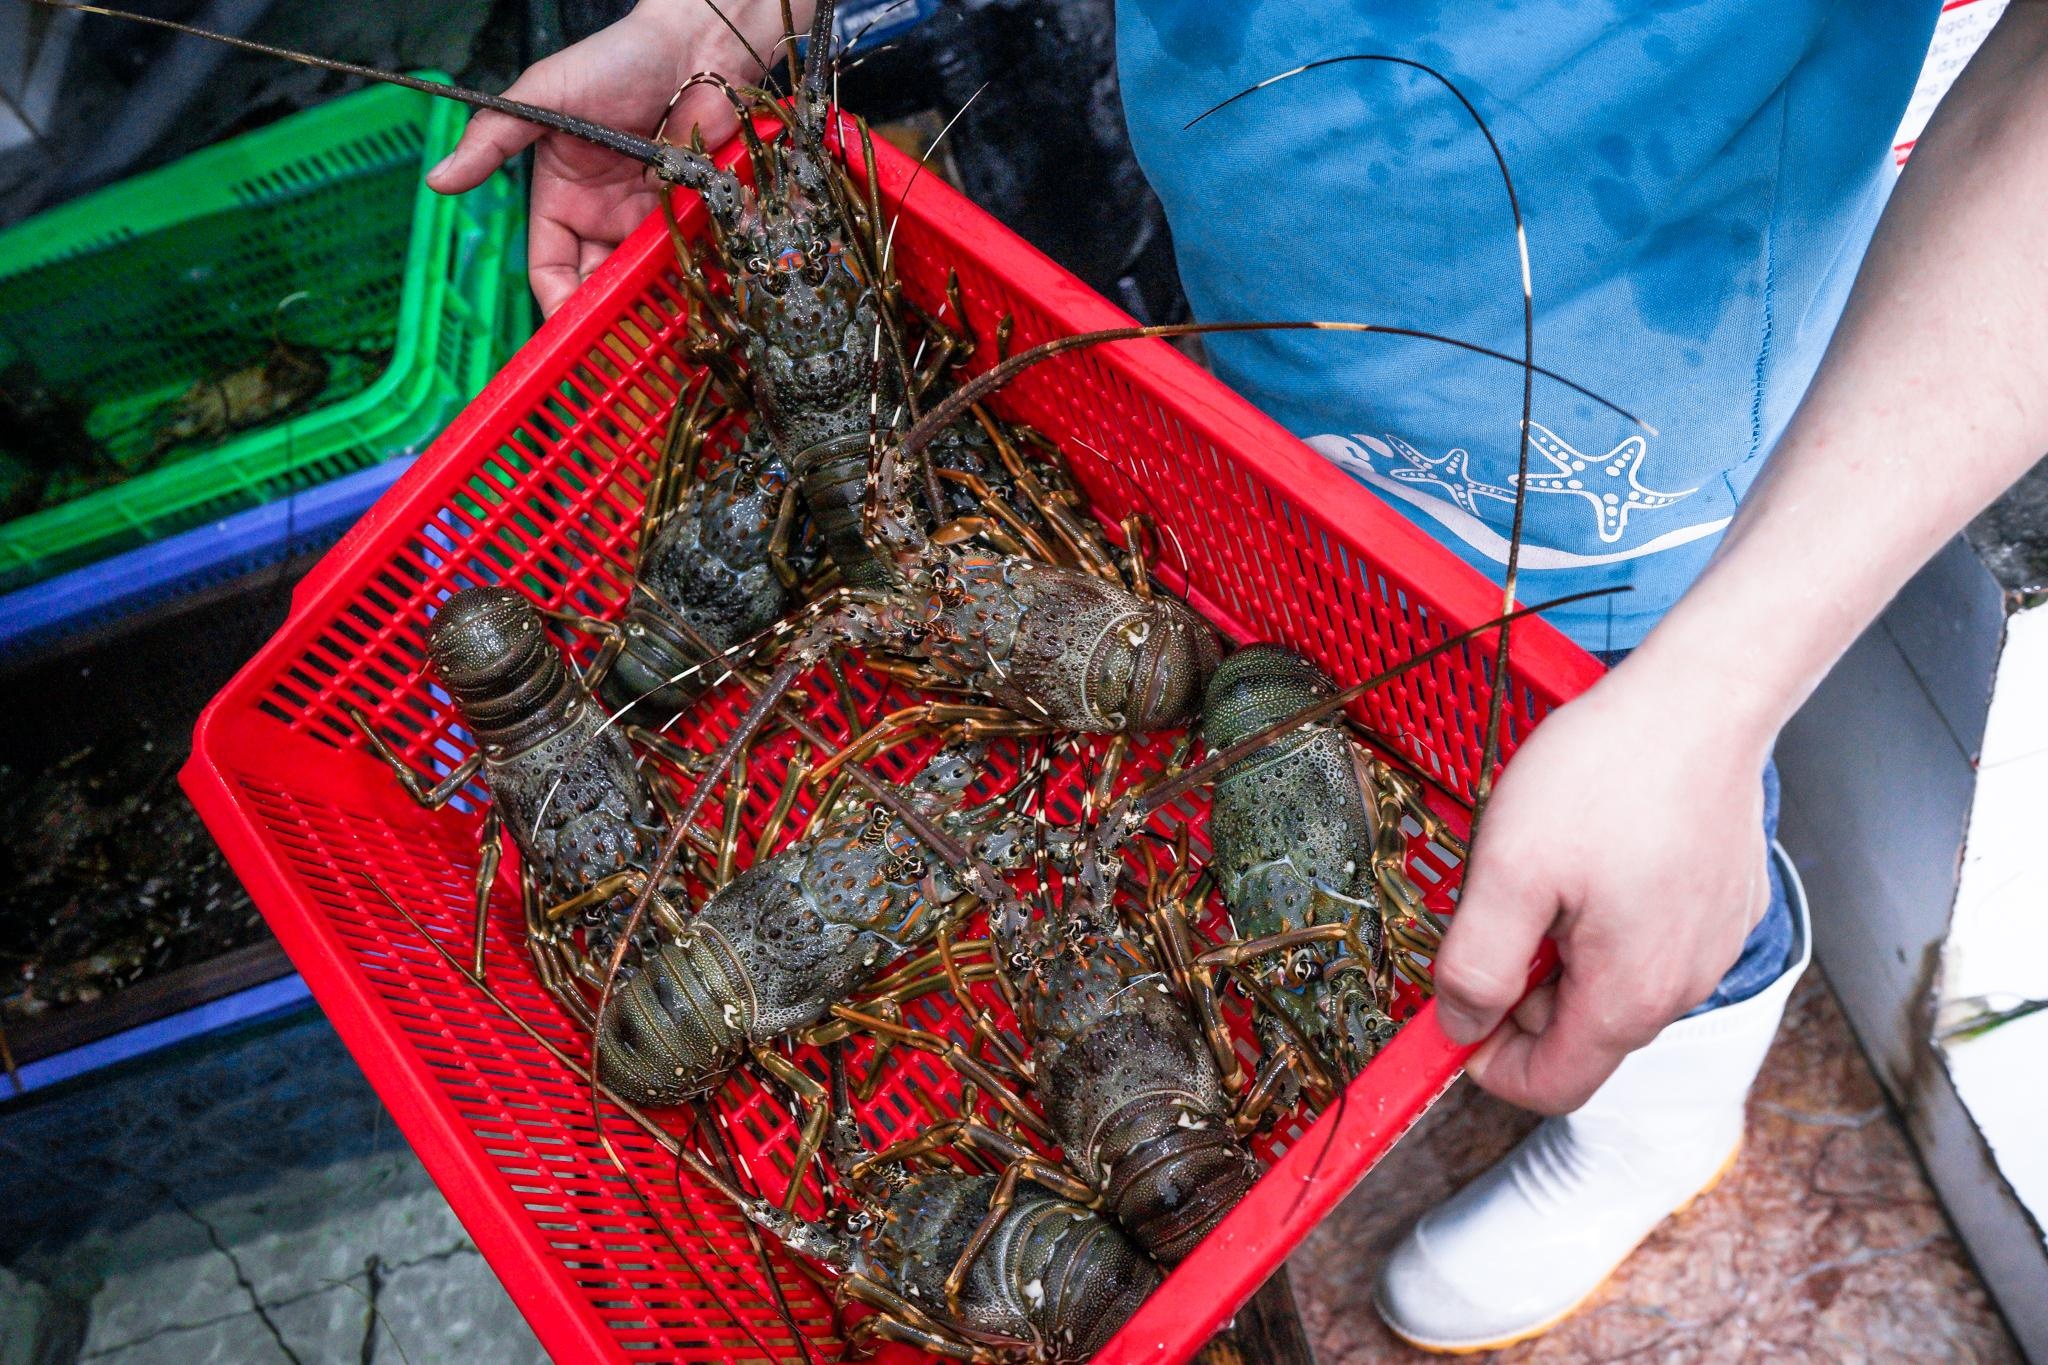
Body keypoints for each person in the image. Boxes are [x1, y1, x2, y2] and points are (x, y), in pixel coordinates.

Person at [429, 0, 2048, 1350]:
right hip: (1286, 348)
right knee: (1377, 758)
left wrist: (1720, 691)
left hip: (1652, 443)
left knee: (1648, 814)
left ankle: (1666, 1106)